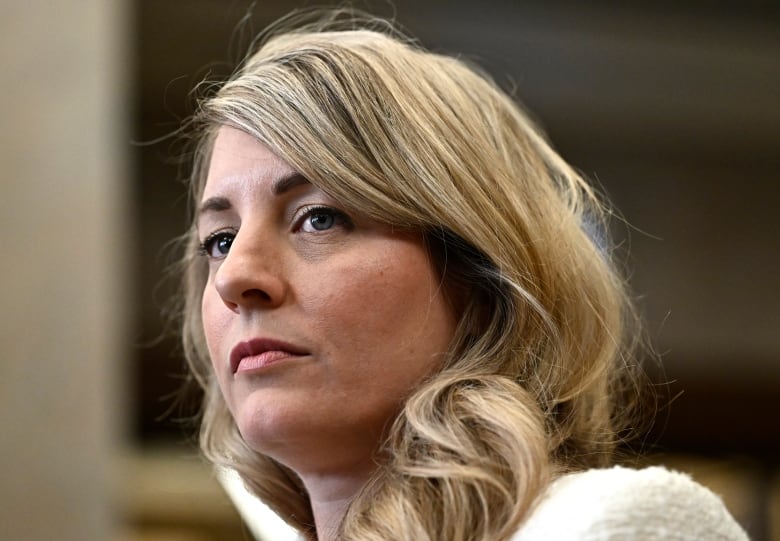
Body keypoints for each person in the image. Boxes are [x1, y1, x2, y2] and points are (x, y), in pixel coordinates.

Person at [177, 10, 748, 541]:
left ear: (482, 277)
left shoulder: (613, 526)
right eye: (219, 241)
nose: (234, 276)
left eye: (319, 218)